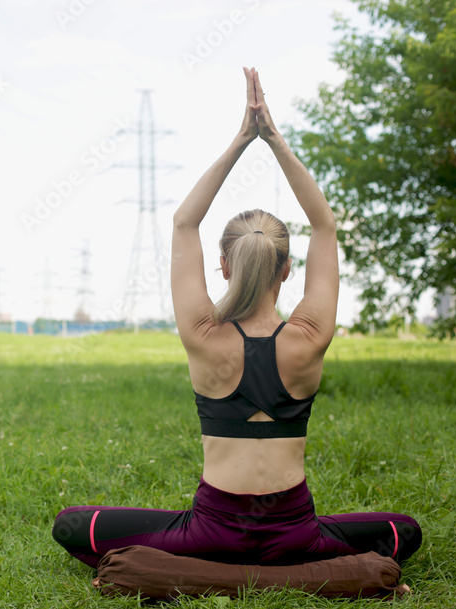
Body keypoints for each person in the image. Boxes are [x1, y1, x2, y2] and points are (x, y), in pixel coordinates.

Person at [52, 68, 422, 571]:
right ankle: (289, 568)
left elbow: (184, 222)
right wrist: (274, 139)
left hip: (210, 535)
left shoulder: (203, 336)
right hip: (295, 534)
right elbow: (325, 225)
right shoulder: (310, 337)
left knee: (72, 525)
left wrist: (242, 139)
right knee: (405, 531)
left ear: (224, 266)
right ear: (287, 269)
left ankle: (208, 568)